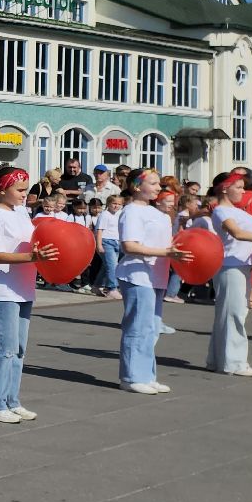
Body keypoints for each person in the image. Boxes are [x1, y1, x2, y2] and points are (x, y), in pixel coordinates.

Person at [0, 166, 52, 423]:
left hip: (23, 288)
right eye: (19, 189)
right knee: (4, 349)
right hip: (1, 290)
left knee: (18, 350)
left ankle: (11, 400)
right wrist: (33, 257)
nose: (24, 194)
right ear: (2, 190)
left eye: (25, 189)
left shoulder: (21, 212)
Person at [118, 168, 188, 394]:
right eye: (154, 183)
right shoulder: (131, 212)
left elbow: (165, 244)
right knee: (138, 327)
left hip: (156, 276)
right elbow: (129, 245)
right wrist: (166, 253)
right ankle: (131, 377)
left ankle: (147, 375)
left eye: (159, 183)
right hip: (138, 275)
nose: (159, 187)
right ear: (137, 186)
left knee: (152, 329)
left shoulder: (157, 213)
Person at [206, 172, 252, 376]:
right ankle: (234, 362)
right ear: (224, 189)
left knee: (229, 313)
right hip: (230, 266)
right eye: (238, 187)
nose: (243, 191)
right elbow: (237, 233)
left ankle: (217, 359)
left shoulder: (238, 211)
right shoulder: (220, 210)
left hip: (243, 265)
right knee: (233, 314)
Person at [96, 194, 124, 299]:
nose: (116, 206)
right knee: (112, 266)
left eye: (119, 204)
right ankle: (112, 288)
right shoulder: (105, 215)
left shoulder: (120, 214)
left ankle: (97, 285)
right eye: (114, 203)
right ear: (108, 204)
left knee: (106, 266)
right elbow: (99, 231)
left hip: (117, 241)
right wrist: (99, 245)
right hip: (106, 241)